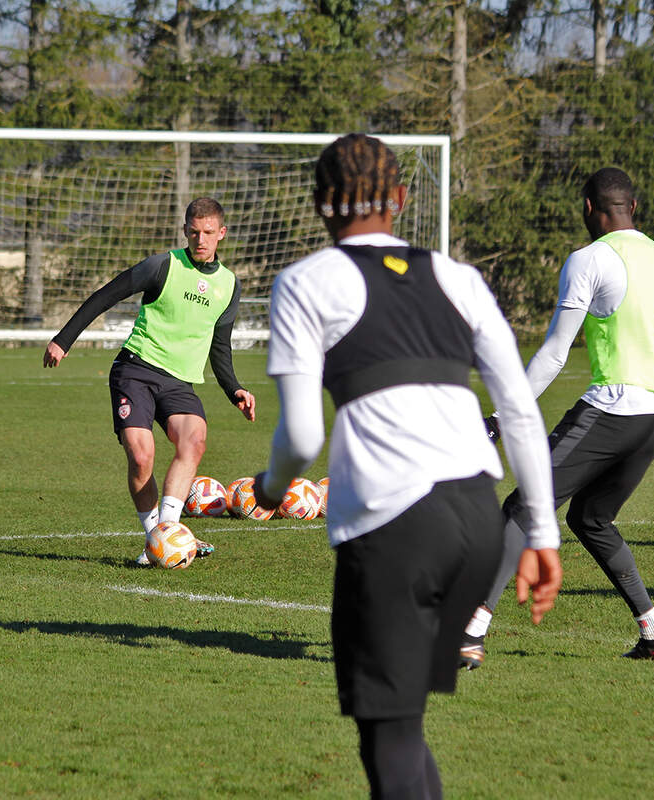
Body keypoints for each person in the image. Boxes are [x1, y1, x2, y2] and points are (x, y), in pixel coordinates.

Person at [250, 134, 562, 798]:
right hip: (478, 519)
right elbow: (519, 411)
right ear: (400, 199)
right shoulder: (460, 278)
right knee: (403, 725)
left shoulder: (304, 282)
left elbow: (302, 433)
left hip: (397, 525)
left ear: (318, 204)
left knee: (387, 735)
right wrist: (541, 535)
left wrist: (270, 488)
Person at [460, 167, 654, 669]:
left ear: (588, 208)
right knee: (591, 517)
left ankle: (469, 632)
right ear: (635, 208)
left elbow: (555, 354)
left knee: (523, 507)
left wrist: (499, 418)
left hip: (613, 408)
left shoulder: (590, 259)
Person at [43, 197, 256, 565]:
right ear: (185, 230)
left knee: (195, 440)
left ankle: (168, 534)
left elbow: (219, 344)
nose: (200, 239)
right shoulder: (163, 266)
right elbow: (105, 296)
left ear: (222, 233)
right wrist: (64, 340)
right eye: (193, 232)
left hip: (179, 382)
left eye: (208, 233)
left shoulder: (228, 285)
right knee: (142, 457)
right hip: (135, 370)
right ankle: (153, 537)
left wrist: (233, 387)